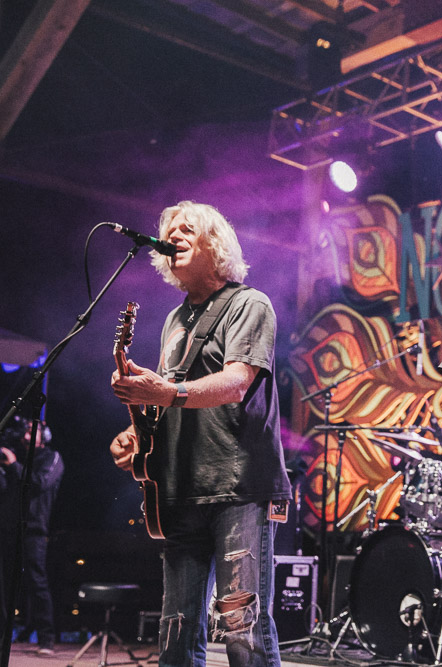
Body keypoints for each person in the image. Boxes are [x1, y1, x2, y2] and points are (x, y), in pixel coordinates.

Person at [109, 201, 291, 667]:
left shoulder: (249, 304)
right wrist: (138, 434)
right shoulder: (174, 320)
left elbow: (235, 382)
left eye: (187, 229)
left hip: (238, 486)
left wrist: (166, 392)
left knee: (241, 628)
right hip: (179, 489)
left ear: (216, 242)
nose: (175, 237)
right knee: (175, 631)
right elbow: (174, 398)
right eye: (170, 231)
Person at [0, 418, 64, 655]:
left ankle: (46, 640)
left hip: (33, 530)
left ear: (44, 435)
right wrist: (0, 468)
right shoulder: (15, 460)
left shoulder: (51, 458)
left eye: (31, 432)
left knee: (36, 583)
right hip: (6, 527)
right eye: (24, 433)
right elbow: (1, 491)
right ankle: (2, 639)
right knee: (3, 587)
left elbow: (39, 483)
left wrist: (13, 465)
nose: (26, 437)